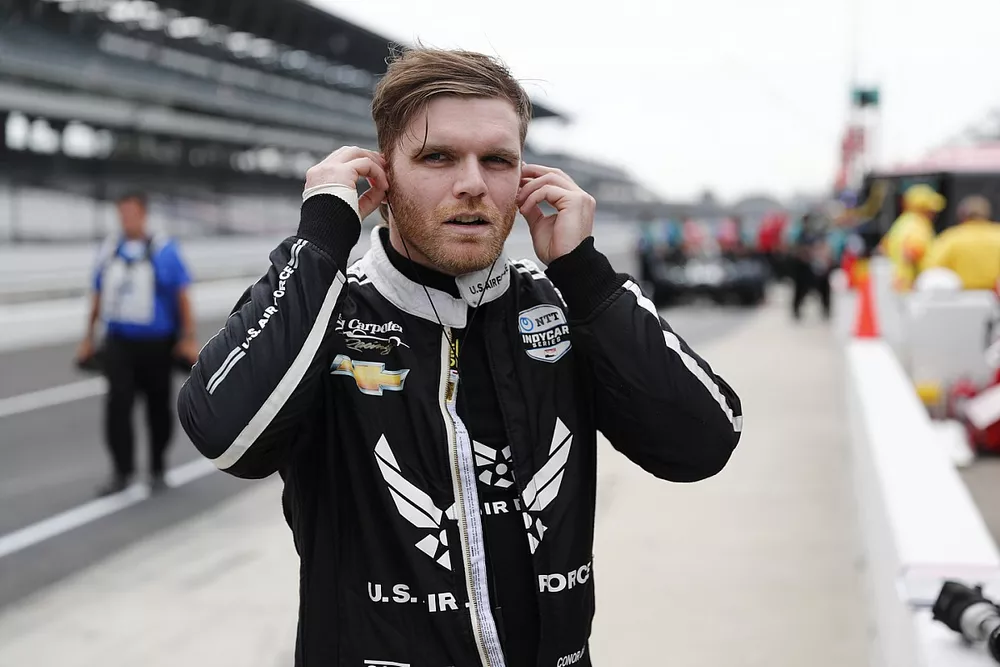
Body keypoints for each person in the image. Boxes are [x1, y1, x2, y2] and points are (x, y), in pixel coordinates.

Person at [177, 47, 743, 667]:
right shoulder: (325, 313)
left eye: (497, 159)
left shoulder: (565, 305)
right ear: (381, 173)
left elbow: (702, 445)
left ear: (524, 176)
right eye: (437, 156)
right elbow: (227, 437)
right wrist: (319, 241)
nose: (472, 182)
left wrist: (584, 273)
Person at [77, 192, 198, 496]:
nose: (126, 219)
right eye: (122, 213)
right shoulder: (109, 250)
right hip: (119, 343)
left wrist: (187, 337)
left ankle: (157, 468)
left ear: (143, 214)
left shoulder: (164, 250)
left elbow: (182, 296)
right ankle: (121, 471)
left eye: (132, 213)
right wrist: (88, 338)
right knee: (118, 406)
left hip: (157, 344)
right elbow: (97, 296)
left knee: (158, 408)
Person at [922, 195, 1000, 290]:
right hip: (995, 296)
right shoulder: (997, 235)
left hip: (960, 298)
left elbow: (931, 268)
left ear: (963, 216)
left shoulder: (951, 238)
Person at [878, 183, 945, 290]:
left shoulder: (902, 222)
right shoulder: (918, 225)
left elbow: (883, 247)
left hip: (900, 282)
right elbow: (911, 253)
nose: (934, 213)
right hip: (912, 285)